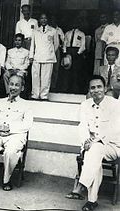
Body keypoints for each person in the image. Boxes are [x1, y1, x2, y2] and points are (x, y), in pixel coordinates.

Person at [65, 75, 120, 211]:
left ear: (105, 88)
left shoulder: (115, 104)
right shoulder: (85, 105)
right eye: (93, 88)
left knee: (95, 150)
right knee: (94, 154)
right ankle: (91, 201)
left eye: (99, 87)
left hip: (112, 146)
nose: (96, 90)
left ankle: (80, 185)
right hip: (91, 147)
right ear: (89, 90)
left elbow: (113, 129)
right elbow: (82, 126)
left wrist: (94, 141)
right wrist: (85, 141)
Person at [0, 74, 33, 191]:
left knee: (11, 151)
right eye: (11, 84)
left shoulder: (26, 105)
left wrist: (8, 129)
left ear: (22, 88)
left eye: (17, 85)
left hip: (16, 135)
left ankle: (6, 180)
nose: (13, 87)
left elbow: (27, 125)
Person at [29, 13, 59, 100]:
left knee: (46, 78)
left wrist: (50, 52)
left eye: (45, 18)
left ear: (48, 19)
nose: (43, 20)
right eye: (41, 18)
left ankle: (44, 95)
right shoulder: (35, 31)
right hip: (37, 57)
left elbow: (56, 44)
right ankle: (35, 95)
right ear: (39, 20)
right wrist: (31, 56)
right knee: (35, 77)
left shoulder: (53, 31)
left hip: (48, 58)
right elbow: (32, 45)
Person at [63, 19, 86, 94]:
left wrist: (78, 53)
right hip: (69, 52)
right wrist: (65, 52)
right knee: (67, 71)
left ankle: (75, 88)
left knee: (76, 71)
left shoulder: (81, 34)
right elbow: (65, 43)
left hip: (77, 53)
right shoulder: (67, 33)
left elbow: (83, 45)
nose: (74, 24)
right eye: (73, 22)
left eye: (76, 22)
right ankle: (66, 88)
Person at [50, 15, 65, 91]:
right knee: (49, 68)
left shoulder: (59, 30)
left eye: (54, 20)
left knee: (55, 68)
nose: (53, 22)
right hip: (49, 50)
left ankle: (53, 86)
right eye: (52, 20)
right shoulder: (49, 29)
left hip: (56, 50)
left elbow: (63, 41)